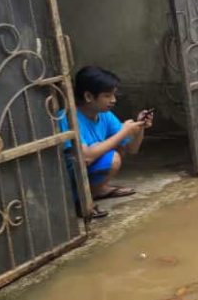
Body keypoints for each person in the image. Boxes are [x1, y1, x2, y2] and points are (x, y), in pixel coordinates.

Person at [59, 66, 152, 218]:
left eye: (114, 95)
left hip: (87, 168)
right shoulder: (67, 117)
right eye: (107, 96)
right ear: (89, 96)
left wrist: (140, 127)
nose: (113, 100)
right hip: (66, 180)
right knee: (112, 157)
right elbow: (85, 156)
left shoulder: (105, 115)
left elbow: (131, 149)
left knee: (116, 148)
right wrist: (123, 132)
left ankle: (97, 190)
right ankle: (80, 201)